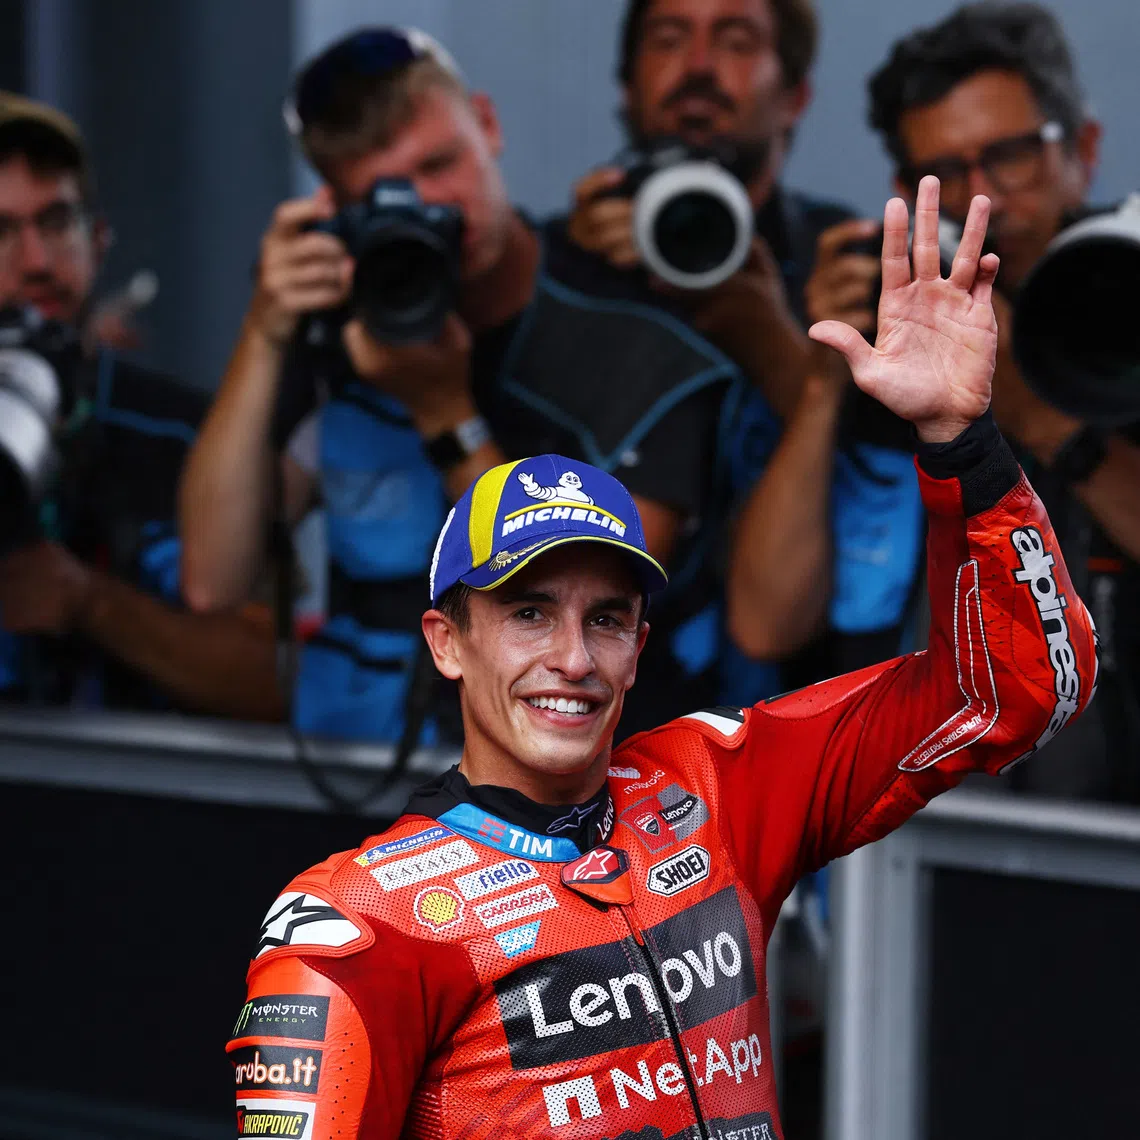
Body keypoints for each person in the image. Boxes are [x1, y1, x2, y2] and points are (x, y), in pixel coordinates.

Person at [225, 181, 1098, 1137]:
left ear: (639, 649)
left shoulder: (718, 788)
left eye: (606, 619)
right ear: (447, 642)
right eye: (526, 612)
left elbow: (1017, 690)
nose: (572, 657)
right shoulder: (360, 922)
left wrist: (958, 441)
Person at [180, 28, 747, 745]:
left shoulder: (635, 335)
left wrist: (446, 414)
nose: (435, 208)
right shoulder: (341, 334)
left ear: (488, 124)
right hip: (378, 792)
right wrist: (263, 331)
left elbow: (598, 594)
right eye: (390, 195)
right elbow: (212, 579)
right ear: (344, 214)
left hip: (596, 799)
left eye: (441, 163)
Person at [560, 0, 927, 697]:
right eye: (669, 38)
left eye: (735, 40)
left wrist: (771, 342)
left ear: (795, 95)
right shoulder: (563, 264)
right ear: (625, 82)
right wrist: (568, 304)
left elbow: (875, 516)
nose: (698, 66)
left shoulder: (848, 276)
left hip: (799, 729)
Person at [868, 1, 1140, 798]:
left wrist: (1046, 419)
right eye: (946, 174)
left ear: (1082, 150)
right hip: (945, 835)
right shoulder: (890, 326)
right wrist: (815, 379)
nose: (982, 198)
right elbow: (774, 621)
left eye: (1013, 155)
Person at [0, 92, 282, 720]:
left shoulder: (190, 437)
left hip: (143, 809)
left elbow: (277, 683)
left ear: (99, 241)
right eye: (1, 232)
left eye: (56, 223)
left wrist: (91, 603)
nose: (38, 263)